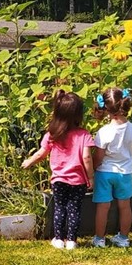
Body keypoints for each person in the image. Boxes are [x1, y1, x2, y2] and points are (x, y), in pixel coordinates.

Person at [20, 91, 94, 250]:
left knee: (60, 208)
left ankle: (59, 239)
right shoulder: (84, 135)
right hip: (78, 180)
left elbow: (41, 154)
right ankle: (72, 240)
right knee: (74, 209)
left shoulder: (52, 134)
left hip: (59, 180)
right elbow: (87, 157)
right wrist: (91, 177)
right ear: (78, 114)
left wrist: (29, 162)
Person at [91, 88, 132, 248]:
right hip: (125, 172)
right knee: (125, 206)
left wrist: (92, 169)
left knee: (103, 207)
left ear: (106, 109)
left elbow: (98, 156)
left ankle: (99, 239)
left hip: (105, 172)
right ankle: (124, 238)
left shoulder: (104, 132)